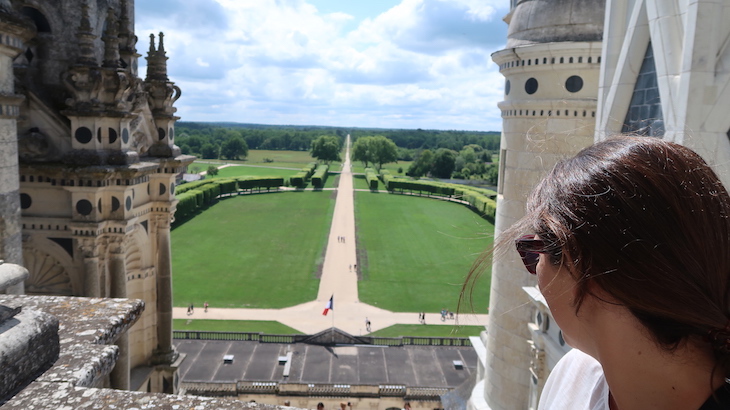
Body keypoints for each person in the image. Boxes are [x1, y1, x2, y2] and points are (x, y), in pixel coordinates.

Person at [482, 137, 730, 409]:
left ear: (585, 271)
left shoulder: (574, 380)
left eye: (535, 251)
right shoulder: (574, 371)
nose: (535, 272)